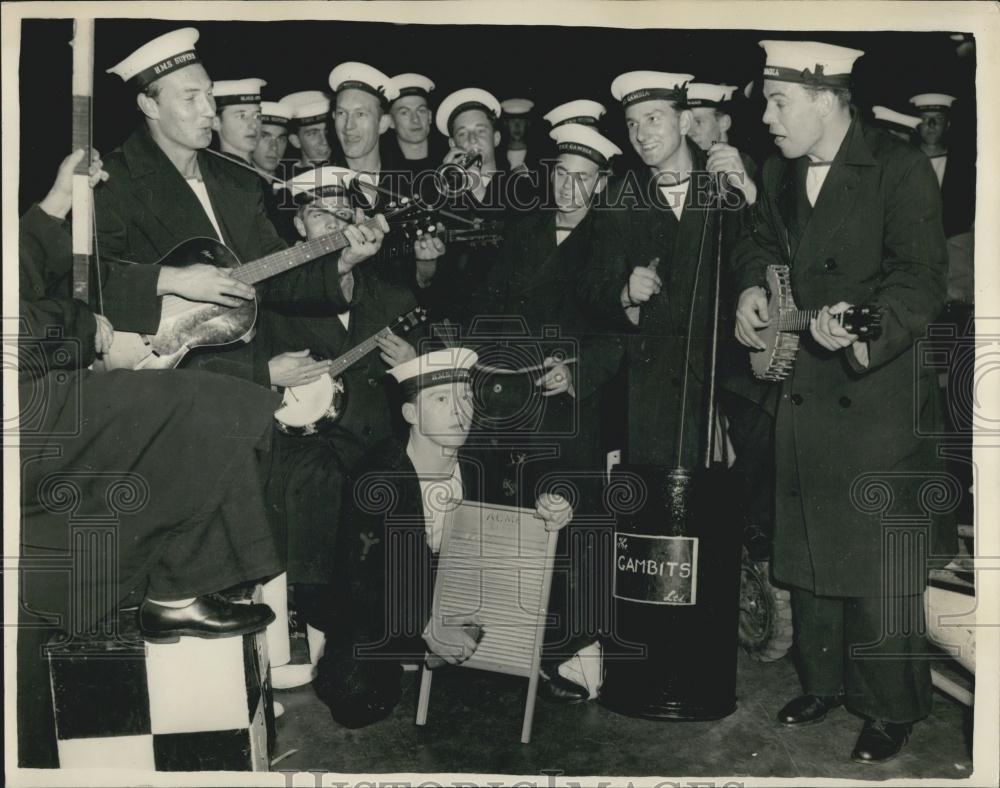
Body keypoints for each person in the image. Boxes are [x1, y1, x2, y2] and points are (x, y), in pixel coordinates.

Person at [18, 148, 281, 766]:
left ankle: (177, 587)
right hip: (23, 415)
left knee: (202, 405)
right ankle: (180, 588)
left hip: (35, 395)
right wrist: (90, 331)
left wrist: (56, 203)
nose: (209, 110)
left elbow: (12, 274)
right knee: (205, 405)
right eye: (192, 96)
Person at [733, 40, 953, 764]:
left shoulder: (898, 167)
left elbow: (920, 277)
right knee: (809, 550)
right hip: (803, 388)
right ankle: (824, 682)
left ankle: (891, 708)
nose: (765, 117)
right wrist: (749, 292)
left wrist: (864, 327)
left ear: (826, 97)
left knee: (875, 567)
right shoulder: (776, 171)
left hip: (873, 390)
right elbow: (756, 242)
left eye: (778, 102)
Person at [313, 348, 573, 728]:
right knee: (353, 693)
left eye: (465, 398)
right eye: (441, 399)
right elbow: (360, 581)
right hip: (389, 601)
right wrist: (423, 625)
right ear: (411, 414)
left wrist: (549, 506)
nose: (459, 411)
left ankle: (452, 651)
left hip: (460, 593)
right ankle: (411, 654)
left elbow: (525, 495)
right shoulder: (377, 476)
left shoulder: (480, 457)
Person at [460, 123, 628, 701]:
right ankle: (502, 645)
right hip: (505, 402)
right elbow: (482, 308)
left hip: (567, 410)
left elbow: (623, 334)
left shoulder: (615, 240)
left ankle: (571, 652)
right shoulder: (523, 231)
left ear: (602, 183)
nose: (571, 189)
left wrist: (577, 370)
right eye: (562, 175)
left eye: (584, 179)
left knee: (570, 521)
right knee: (503, 522)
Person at [97, 28, 357, 386]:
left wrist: (342, 262)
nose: (208, 110)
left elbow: (276, 276)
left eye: (208, 94)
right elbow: (84, 279)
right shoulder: (112, 181)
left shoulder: (240, 180)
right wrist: (176, 279)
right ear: (149, 105)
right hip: (166, 387)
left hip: (250, 379)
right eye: (190, 98)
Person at [259, 165, 432, 684]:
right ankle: (320, 625)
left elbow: (429, 376)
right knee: (317, 486)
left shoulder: (394, 296)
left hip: (375, 442)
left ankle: (398, 629)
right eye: (317, 215)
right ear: (298, 230)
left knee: (391, 484)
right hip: (305, 451)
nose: (332, 227)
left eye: (342, 214)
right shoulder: (273, 299)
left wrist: (411, 366)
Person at [577, 70, 750, 470]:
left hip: (732, 383)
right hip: (657, 395)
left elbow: (764, 252)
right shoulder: (619, 198)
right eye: (633, 123)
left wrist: (748, 192)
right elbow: (589, 287)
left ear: (685, 122)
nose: (641, 134)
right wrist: (624, 292)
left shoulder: (730, 174)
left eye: (653, 118)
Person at [909, 92, 974, 308]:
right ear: (916, 126)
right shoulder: (903, 163)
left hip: (954, 248)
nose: (932, 125)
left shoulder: (966, 165)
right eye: (925, 120)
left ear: (948, 125)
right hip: (912, 247)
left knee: (956, 305)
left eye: (938, 119)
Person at [328, 61, 400, 202]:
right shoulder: (318, 182)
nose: (349, 126)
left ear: (383, 124)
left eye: (360, 114)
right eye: (342, 113)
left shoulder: (411, 182)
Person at [212, 77, 265, 164]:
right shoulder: (214, 174)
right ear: (216, 122)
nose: (254, 125)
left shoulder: (254, 175)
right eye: (241, 116)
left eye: (257, 116)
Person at [282, 90, 334, 176]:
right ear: (296, 141)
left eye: (327, 132)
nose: (324, 142)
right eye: (313, 134)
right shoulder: (287, 181)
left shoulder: (345, 172)